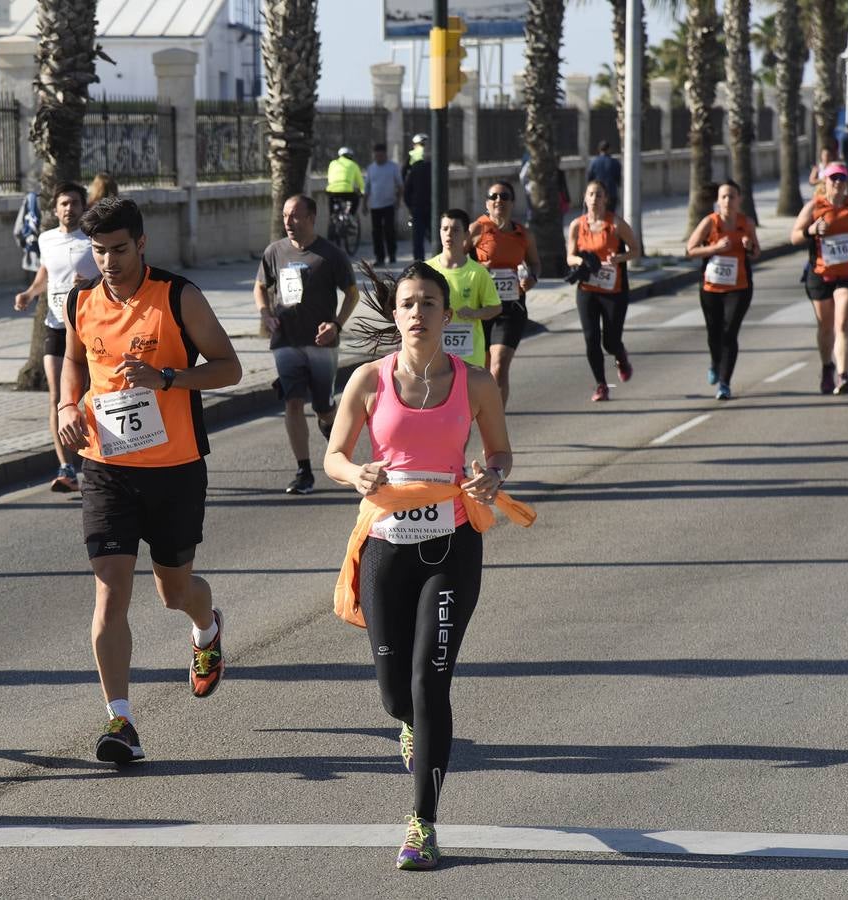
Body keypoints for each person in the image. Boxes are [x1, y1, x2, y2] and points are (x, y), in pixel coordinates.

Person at [323, 262, 532, 870]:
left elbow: (500, 452)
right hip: (387, 545)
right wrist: (355, 473)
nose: (418, 313)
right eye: (408, 303)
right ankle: (409, 723)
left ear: (447, 315)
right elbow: (334, 454)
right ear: (397, 314)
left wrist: (491, 477)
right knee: (395, 696)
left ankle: (422, 824)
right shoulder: (368, 380)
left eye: (429, 303)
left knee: (430, 681)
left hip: (453, 542)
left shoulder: (475, 383)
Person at [56, 197, 243, 764]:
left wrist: (168, 378)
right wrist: (66, 406)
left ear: (141, 244)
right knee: (111, 591)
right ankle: (120, 720)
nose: (109, 261)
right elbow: (72, 360)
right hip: (106, 466)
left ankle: (206, 628)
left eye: (119, 249)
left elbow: (230, 367)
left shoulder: (177, 295)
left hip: (175, 470)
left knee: (173, 592)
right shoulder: (81, 299)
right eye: (99, 250)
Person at [253, 194, 360, 494]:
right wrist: (266, 314)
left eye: (296, 216)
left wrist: (337, 324)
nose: (288, 222)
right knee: (293, 401)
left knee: (324, 408)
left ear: (312, 218)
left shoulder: (330, 255)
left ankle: (335, 442)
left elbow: (352, 294)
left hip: (321, 343)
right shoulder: (275, 251)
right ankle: (304, 471)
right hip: (286, 340)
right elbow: (260, 287)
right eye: (286, 216)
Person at [14, 181, 100, 492]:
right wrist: (29, 293)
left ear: (83, 207)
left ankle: (94, 459)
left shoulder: (93, 239)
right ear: (55, 209)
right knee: (57, 397)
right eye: (64, 204)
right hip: (55, 325)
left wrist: (91, 281)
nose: (69, 209)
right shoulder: (46, 239)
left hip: (87, 325)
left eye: (74, 203)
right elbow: (46, 273)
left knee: (88, 395)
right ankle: (65, 467)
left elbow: (111, 274)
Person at [790, 162, 848, 395]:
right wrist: (812, 231)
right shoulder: (814, 207)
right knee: (826, 327)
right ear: (825, 182)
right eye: (833, 178)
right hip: (820, 274)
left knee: (843, 323)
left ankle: (844, 375)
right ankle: (827, 367)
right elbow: (794, 236)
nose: (838, 182)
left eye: (842, 179)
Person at [685, 180, 761, 400]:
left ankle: (725, 383)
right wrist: (715, 248)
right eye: (724, 197)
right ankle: (715, 361)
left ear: (739, 200)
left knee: (729, 333)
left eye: (732, 196)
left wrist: (749, 246)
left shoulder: (746, 223)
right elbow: (690, 250)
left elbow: (756, 253)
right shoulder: (710, 222)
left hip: (739, 287)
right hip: (711, 287)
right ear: (718, 201)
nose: (728, 201)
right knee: (714, 333)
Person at [566, 180, 641, 402]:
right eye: (591, 194)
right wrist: (580, 260)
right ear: (585, 198)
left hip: (613, 290)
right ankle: (601, 385)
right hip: (587, 288)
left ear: (606, 199)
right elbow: (569, 256)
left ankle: (621, 356)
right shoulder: (577, 225)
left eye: (599, 195)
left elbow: (636, 250)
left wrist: (619, 257)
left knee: (610, 340)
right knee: (591, 338)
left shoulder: (616, 224)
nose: (595, 199)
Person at [469, 181, 541, 408]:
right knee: (482, 369)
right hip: (481, 309)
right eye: (494, 196)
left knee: (499, 366)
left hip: (511, 308)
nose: (499, 200)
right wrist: (478, 269)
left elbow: (535, 264)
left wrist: (532, 279)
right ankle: (480, 411)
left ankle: (495, 425)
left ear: (512, 202)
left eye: (504, 196)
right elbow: (456, 263)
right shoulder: (476, 229)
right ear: (487, 203)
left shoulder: (523, 234)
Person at [424, 208, 502, 369]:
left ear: (466, 235)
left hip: (470, 357)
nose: (449, 234)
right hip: (436, 355)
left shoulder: (478, 272)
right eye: (444, 229)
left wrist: (475, 313)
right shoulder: (426, 270)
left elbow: (496, 307)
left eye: (455, 230)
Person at [366, 142, 404, 266]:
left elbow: (399, 185)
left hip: (389, 204)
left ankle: (392, 254)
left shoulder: (393, 167)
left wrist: (398, 201)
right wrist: (364, 204)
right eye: (376, 156)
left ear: (385, 155)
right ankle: (379, 257)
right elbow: (367, 187)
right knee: (376, 233)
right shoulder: (371, 168)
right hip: (375, 206)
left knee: (389, 231)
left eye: (381, 155)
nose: (379, 158)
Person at [326, 147, 365, 237]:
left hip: (331, 190)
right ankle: (349, 216)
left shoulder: (333, 163)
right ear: (350, 156)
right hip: (346, 190)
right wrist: (362, 191)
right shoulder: (353, 164)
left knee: (333, 208)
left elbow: (329, 177)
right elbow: (360, 182)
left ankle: (333, 218)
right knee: (355, 199)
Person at [403, 152, 432, 262]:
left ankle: (419, 262)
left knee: (418, 238)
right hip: (431, 208)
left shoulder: (414, 170)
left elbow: (406, 192)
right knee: (436, 236)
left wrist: (411, 206)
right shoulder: (434, 169)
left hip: (417, 208)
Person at [585, 141, 622, 213]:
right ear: (609, 149)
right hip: (611, 194)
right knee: (610, 216)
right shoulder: (615, 162)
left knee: (598, 216)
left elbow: (589, 179)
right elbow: (618, 180)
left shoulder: (593, 162)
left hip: (597, 195)